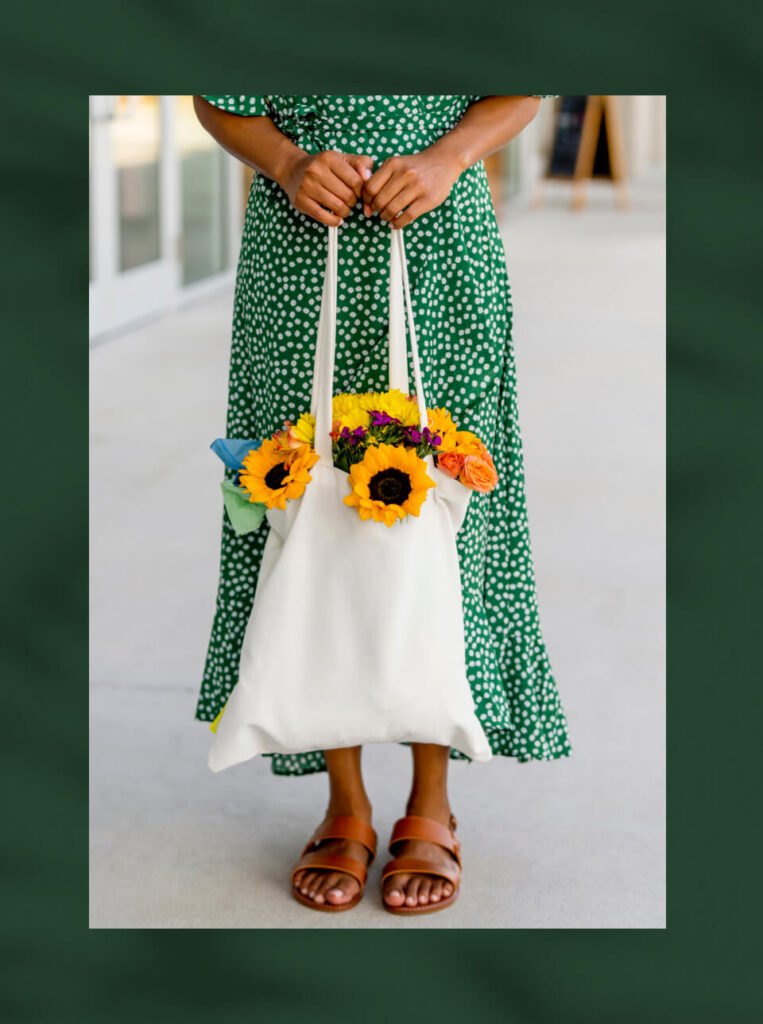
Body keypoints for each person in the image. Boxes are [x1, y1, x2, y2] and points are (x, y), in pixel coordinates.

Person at [193, 94, 571, 915]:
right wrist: (287, 161)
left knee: (445, 507)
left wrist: (447, 157)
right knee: (306, 509)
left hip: (441, 255)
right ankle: (345, 801)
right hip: (300, 253)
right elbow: (216, 96)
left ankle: (431, 800)